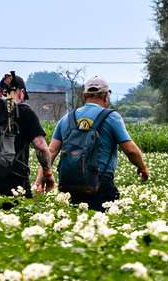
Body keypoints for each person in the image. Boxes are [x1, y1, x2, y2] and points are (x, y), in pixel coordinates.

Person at [49, 76, 148, 209]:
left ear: (85, 95)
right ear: (106, 95)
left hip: (71, 182)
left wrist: (43, 175)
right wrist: (142, 167)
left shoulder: (67, 118)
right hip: (100, 182)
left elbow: (51, 151)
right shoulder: (111, 117)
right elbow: (130, 150)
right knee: (102, 224)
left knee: (76, 222)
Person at [0, 72, 54, 199]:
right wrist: (47, 173)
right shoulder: (24, 112)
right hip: (13, 186)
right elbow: (41, 147)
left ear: (0, 92)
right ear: (21, 92)